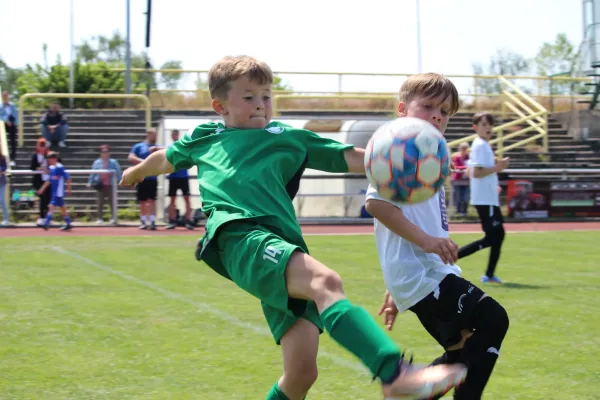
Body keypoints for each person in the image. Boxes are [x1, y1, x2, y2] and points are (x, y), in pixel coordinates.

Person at [120, 55, 466, 400]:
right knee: (325, 282)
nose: (261, 105)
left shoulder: (288, 137)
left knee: (301, 374)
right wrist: (136, 172)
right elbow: (163, 158)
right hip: (239, 236)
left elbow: (353, 157)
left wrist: (412, 161)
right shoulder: (204, 137)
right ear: (219, 105)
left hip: (282, 246)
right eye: (249, 96)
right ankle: (394, 373)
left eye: (267, 96)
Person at [365, 74, 509, 400]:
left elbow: (415, 216)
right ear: (402, 110)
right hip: (422, 272)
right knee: (492, 318)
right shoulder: (397, 149)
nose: (437, 116)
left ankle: (408, 394)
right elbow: (376, 204)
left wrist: (394, 285)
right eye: (427, 106)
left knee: (464, 348)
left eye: (444, 111)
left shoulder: (430, 152)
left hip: (425, 272)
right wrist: (426, 243)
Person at [458, 112, 510, 284]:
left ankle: (489, 275)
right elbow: (477, 172)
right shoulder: (480, 145)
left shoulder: (484, 145)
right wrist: (498, 167)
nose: (488, 128)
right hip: (484, 200)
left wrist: (496, 172)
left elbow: (480, 170)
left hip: (489, 198)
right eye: (484, 124)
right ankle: (452, 257)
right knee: (493, 237)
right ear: (475, 127)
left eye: (490, 125)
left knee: (498, 235)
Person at [128, 129, 159, 230]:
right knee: (142, 201)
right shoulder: (139, 146)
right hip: (141, 177)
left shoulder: (157, 147)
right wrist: (144, 162)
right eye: (153, 135)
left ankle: (153, 221)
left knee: (152, 200)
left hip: (152, 177)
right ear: (148, 135)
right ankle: (144, 221)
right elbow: (131, 157)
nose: (155, 137)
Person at [166, 129, 193, 230]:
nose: (174, 136)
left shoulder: (184, 146)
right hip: (173, 177)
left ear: (178, 135)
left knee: (187, 199)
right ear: (171, 136)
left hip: (183, 177)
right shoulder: (170, 147)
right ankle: (172, 221)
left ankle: (188, 220)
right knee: (172, 199)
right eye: (173, 134)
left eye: (176, 134)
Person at [37, 151, 72, 231]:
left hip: (58, 192)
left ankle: (46, 223)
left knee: (51, 207)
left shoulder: (60, 167)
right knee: (62, 207)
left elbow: (68, 178)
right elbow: (49, 180)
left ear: (54, 159)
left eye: (50, 159)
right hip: (54, 192)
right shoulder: (52, 168)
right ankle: (68, 223)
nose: (49, 161)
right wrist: (42, 189)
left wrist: (68, 189)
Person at [88, 145, 122, 224]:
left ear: (109, 153)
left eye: (106, 152)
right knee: (100, 202)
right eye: (103, 152)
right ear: (101, 153)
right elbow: (92, 173)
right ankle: (100, 218)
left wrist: (120, 181)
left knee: (112, 202)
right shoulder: (97, 162)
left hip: (110, 185)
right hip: (100, 184)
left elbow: (118, 172)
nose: (105, 153)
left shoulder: (113, 162)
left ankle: (113, 218)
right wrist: (90, 182)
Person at [30, 138, 51, 226]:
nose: (42, 147)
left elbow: (56, 163)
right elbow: (32, 167)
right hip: (39, 180)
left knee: (48, 198)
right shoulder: (35, 155)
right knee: (42, 198)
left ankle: (47, 217)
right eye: (40, 145)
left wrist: (49, 169)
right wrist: (41, 169)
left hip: (48, 180)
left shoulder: (49, 155)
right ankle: (42, 217)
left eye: (43, 145)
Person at [0, 90, 18, 167]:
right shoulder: (0, 106)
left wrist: (14, 123)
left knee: (13, 141)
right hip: (3, 124)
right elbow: (0, 115)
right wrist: (6, 120)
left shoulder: (12, 105)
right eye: (3, 96)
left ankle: (13, 158)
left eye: (6, 96)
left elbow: (15, 115)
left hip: (12, 123)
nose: (5, 97)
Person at [451, 142, 470, 216]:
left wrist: (467, 168)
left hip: (466, 180)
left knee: (466, 196)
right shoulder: (457, 157)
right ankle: (459, 211)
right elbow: (456, 167)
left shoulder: (469, 157)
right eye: (463, 148)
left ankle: (465, 211)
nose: (464, 150)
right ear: (460, 149)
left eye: (465, 148)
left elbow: (472, 165)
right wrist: (465, 167)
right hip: (458, 180)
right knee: (458, 196)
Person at [0, 143, 8, 225]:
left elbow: (4, 168)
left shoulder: (2, 158)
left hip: (1, 182)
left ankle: (6, 219)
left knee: (1, 200)